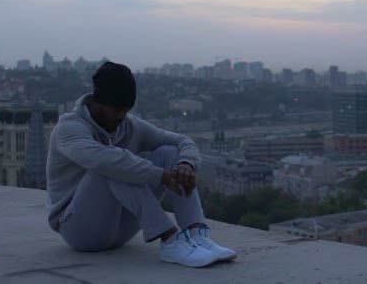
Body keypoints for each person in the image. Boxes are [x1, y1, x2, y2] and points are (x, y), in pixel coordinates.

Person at [46, 61, 236, 268]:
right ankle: (171, 241)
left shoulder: (129, 125)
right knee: (112, 165)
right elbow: (107, 161)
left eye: (126, 110)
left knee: (169, 153)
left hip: (120, 230)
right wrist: (161, 175)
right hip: (79, 230)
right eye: (117, 109)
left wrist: (186, 164)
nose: (121, 116)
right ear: (98, 102)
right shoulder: (69, 128)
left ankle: (196, 233)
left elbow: (182, 141)